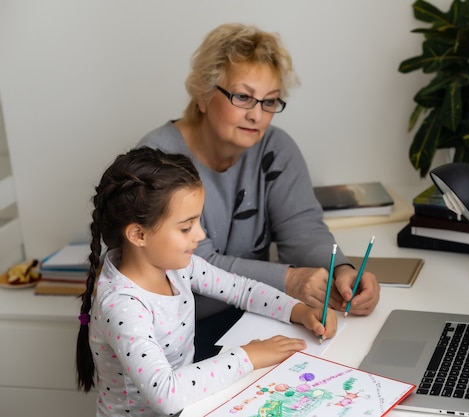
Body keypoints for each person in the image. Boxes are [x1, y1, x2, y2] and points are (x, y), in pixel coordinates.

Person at [137, 23, 380, 359]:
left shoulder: (276, 148)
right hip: (176, 333)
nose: (257, 115)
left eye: (269, 102)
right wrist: (291, 280)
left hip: (256, 312)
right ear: (204, 94)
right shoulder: (158, 160)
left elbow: (303, 230)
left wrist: (343, 271)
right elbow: (196, 265)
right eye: (242, 97)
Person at [75, 147, 337, 417]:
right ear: (139, 234)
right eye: (186, 227)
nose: (200, 235)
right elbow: (167, 394)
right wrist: (248, 356)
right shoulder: (122, 307)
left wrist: (298, 311)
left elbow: (242, 289)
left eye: (199, 221)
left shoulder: (176, 266)